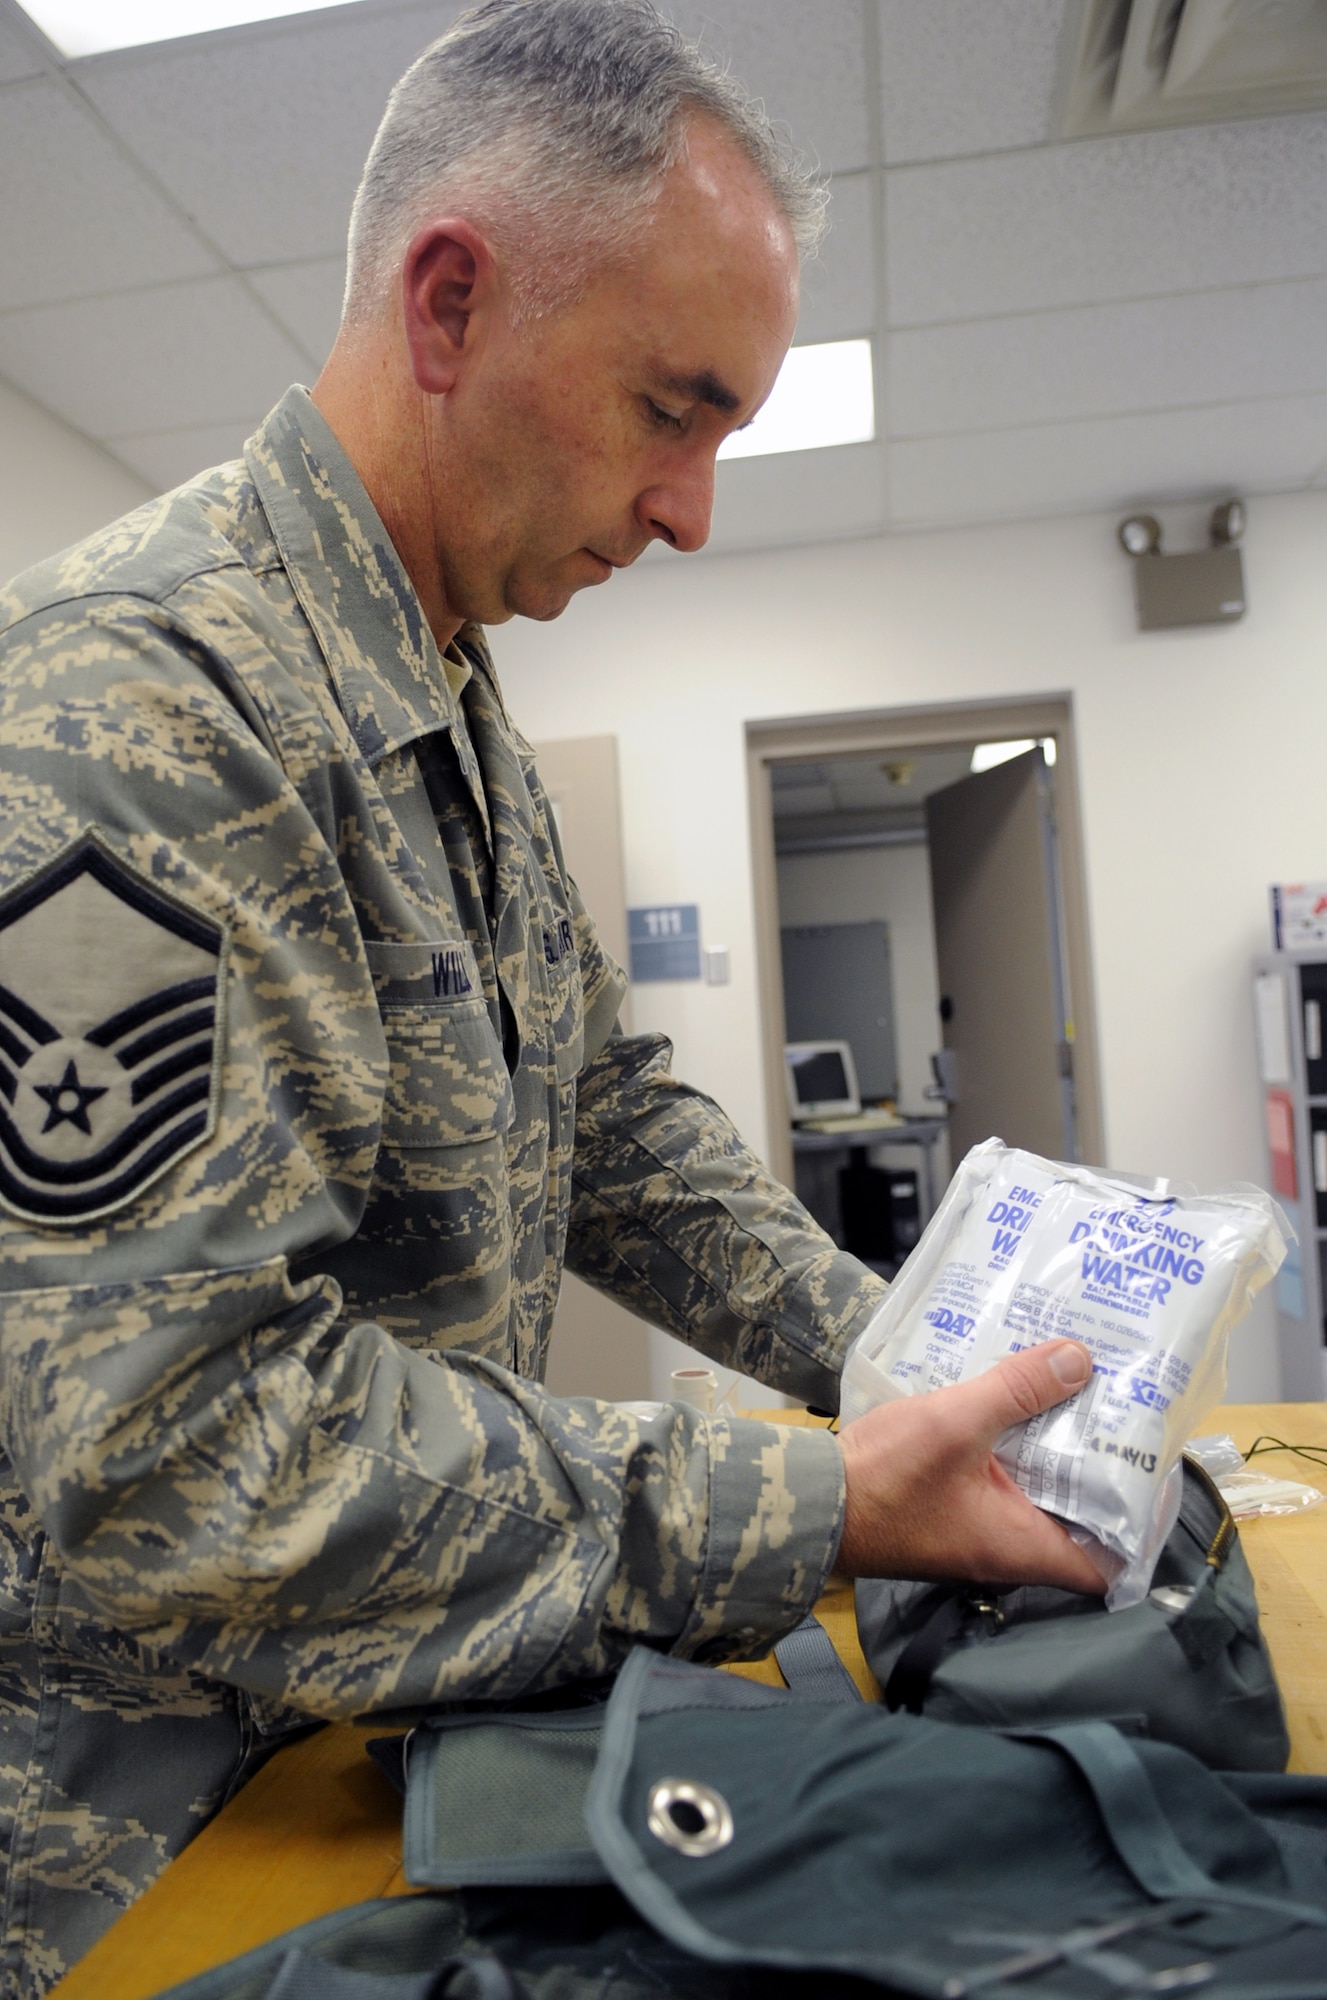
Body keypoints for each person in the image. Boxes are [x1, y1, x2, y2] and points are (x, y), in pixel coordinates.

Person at [0, 1, 1099, 1987]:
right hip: (132, 1859)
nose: (691, 511)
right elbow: (180, 1450)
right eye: (670, 408)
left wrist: (901, 1363)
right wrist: (810, 1499)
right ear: (447, 307)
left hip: (370, 1754)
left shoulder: (440, 689)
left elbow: (601, 1115)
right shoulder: (128, 714)